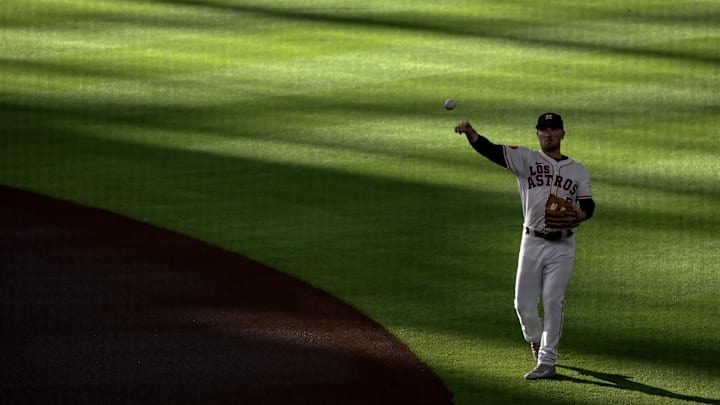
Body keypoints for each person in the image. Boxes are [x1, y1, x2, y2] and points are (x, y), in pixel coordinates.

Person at [454, 113, 595, 380]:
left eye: (553, 129)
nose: (548, 134)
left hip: (563, 246)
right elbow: (493, 151)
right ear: (537, 134)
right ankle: (536, 338)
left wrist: (579, 215)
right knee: (523, 305)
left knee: (553, 300)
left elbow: (588, 205)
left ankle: (547, 361)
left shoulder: (578, 170)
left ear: (563, 134)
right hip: (531, 242)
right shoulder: (526, 159)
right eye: (543, 130)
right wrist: (473, 135)